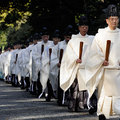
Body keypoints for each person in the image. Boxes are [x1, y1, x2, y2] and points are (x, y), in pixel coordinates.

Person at [85, 4, 120, 120]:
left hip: (118, 71)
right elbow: (94, 53)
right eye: (112, 19)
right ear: (107, 20)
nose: (114, 21)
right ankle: (102, 114)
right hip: (105, 71)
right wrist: (101, 60)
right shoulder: (100, 35)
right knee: (104, 95)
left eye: (116, 19)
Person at [60, 16, 94, 111]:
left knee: (86, 87)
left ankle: (84, 105)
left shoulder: (92, 39)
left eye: (86, 26)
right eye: (82, 26)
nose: (84, 28)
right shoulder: (73, 40)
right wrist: (75, 59)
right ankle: (73, 105)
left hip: (87, 68)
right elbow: (68, 54)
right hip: (76, 67)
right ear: (79, 28)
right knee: (75, 87)